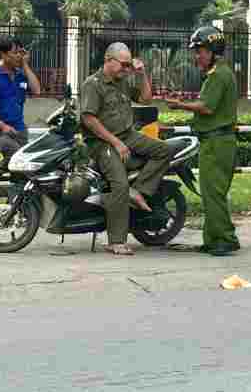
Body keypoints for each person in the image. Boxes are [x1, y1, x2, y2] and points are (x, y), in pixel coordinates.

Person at [79, 42, 170, 256]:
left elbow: (146, 99)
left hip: (128, 135)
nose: (126, 69)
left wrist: (142, 73)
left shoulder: (123, 81)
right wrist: (116, 143)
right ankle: (116, 241)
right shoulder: (92, 84)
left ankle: (138, 190)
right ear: (109, 60)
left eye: (129, 65)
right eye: (124, 64)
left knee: (164, 150)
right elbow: (88, 119)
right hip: (102, 143)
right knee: (119, 184)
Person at [162, 26, 240, 256]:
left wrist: (179, 105)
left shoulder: (218, 75)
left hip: (217, 142)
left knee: (213, 193)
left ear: (214, 51)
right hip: (217, 141)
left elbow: (206, 107)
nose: (197, 56)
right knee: (211, 192)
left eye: (201, 51)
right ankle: (213, 239)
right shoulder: (220, 73)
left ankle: (225, 239)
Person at [0, 39, 41, 176]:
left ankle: (14, 192)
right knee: (16, 157)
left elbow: (36, 90)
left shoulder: (21, 75)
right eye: (15, 53)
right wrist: (2, 126)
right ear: (3, 55)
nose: (19, 56)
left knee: (27, 166)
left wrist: (25, 65)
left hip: (19, 128)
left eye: (21, 53)